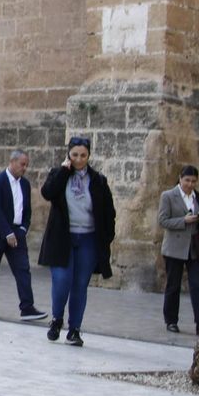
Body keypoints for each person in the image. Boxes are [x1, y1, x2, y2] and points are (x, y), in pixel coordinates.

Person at [38, 136, 117, 347]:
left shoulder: (98, 180)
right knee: (62, 280)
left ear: (89, 155)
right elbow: (48, 193)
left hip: (88, 239)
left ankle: (74, 330)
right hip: (62, 238)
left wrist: (106, 237)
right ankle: (56, 319)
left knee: (80, 285)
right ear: (68, 154)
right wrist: (64, 171)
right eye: (75, 155)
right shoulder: (58, 174)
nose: (79, 160)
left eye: (83, 155)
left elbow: (109, 212)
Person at [0, 150, 48, 321]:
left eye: (26, 165)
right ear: (12, 162)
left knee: (23, 269)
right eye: (22, 164)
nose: (25, 168)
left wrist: (23, 229)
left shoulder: (25, 184)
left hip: (17, 233)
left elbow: (27, 211)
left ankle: (27, 307)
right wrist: (7, 232)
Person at [158, 164, 199, 335]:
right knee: (173, 285)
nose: (190, 184)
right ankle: (171, 320)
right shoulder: (168, 196)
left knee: (196, 285)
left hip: (194, 248)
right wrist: (183, 221)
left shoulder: (198, 197)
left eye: (193, 181)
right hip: (175, 247)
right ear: (180, 179)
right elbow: (163, 220)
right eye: (187, 180)